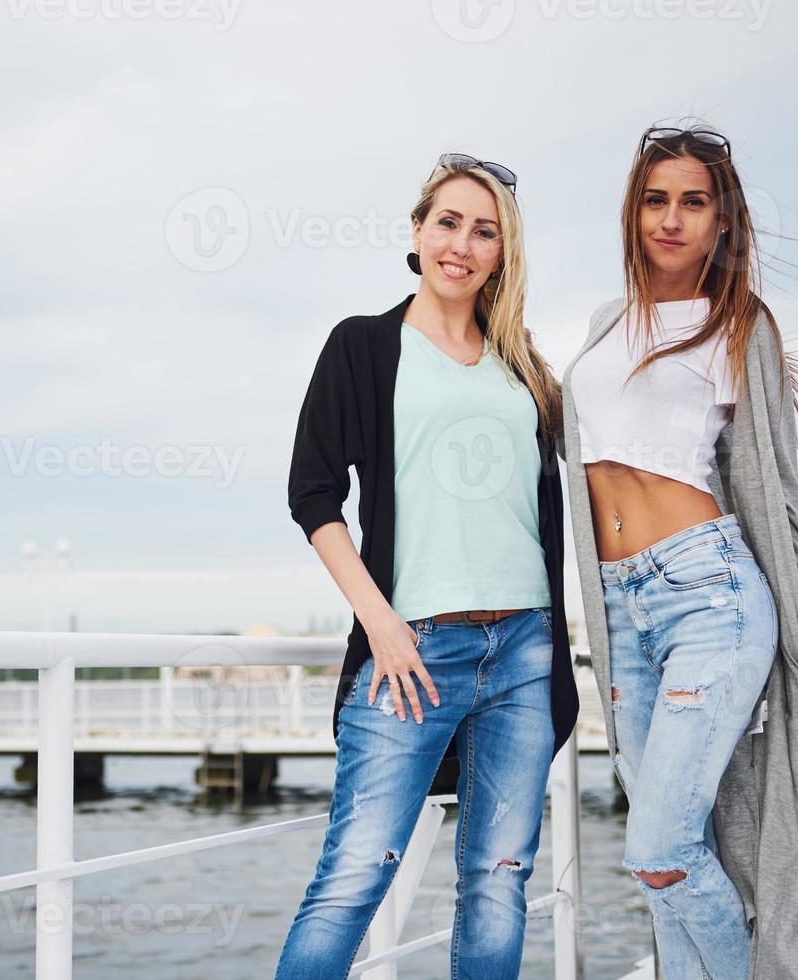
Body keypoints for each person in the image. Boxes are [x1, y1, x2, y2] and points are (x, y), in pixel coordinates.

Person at [558, 123, 798, 979]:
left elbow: (772, 488)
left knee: (657, 849)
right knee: (666, 872)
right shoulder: (605, 322)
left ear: (722, 221)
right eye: (656, 199)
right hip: (621, 613)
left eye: (694, 202)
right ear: (633, 211)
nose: (671, 219)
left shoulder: (738, 323)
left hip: (708, 596)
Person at [275, 152, 578, 979]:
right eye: (447, 222)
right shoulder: (364, 347)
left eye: (485, 231)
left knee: (497, 882)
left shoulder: (524, 370)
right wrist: (381, 625)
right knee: (349, 881)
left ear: (501, 253)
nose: (462, 244)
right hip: (409, 651)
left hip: (525, 650)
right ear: (417, 231)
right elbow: (313, 495)